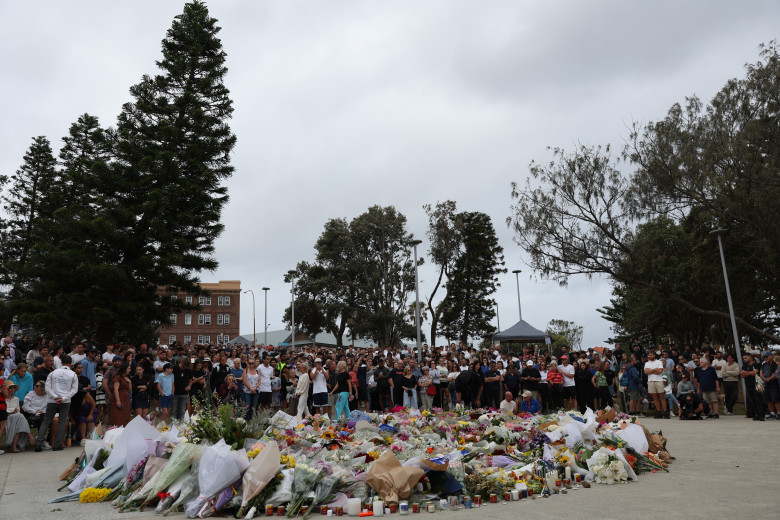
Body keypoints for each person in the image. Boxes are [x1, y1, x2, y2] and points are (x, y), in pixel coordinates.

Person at [35, 354, 78, 451]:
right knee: (62, 421)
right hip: (66, 401)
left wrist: (55, 397)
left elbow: (47, 387)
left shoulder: (53, 372)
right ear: (71, 363)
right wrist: (63, 398)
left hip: (52, 400)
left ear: (61, 362)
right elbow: (74, 390)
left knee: (46, 421)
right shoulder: (73, 374)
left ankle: (38, 444)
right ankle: (57, 444)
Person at [4, 380, 36, 452]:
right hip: (7, 418)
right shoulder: (3, 399)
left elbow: (17, 410)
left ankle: (14, 446)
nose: (12, 389)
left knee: (19, 422)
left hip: (16, 417)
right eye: (10, 387)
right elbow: (4, 411)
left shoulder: (16, 399)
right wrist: (12, 411)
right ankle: (29, 435)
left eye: (13, 387)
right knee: (20, 416)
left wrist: (12, 411)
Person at [644, 351, 668, 419]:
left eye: (651, 355)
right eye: (649, 355)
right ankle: (658, 412)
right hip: (651, 381)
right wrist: (655, 369)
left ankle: (665, 412)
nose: (649, 356)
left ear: (654, 355)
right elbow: (646, 372)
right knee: (654, 396)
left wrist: (650, 371)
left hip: (659, 380)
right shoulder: (647, 363)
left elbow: (660, 371)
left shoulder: (659, 362)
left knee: (662, 396)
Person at [741, 353, 764, 421]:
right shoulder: (744, 366)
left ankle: (761, 415)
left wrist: (746, 373)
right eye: (743, 358)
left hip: (756, 385)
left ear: (750, 358)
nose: (744, 360)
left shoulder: (757, 365)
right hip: (748, 385)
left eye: (745, 358)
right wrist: (750, 373)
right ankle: (757, 414)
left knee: (758, 400)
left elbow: (755, 373)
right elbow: (742, 375)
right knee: (752, 400)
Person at [759, 351, 779, 420]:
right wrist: (764, 378)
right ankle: (772, 413)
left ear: (771, 356)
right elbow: (761, 372)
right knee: (768, 399)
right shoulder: (764, 364)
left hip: (773, 383)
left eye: (767, 357)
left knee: (776, 399)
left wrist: (769, 378)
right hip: (766, 384)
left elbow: (776, 373)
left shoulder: (775, 364)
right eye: (765, 357)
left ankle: (779, 413)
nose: (766, 358)